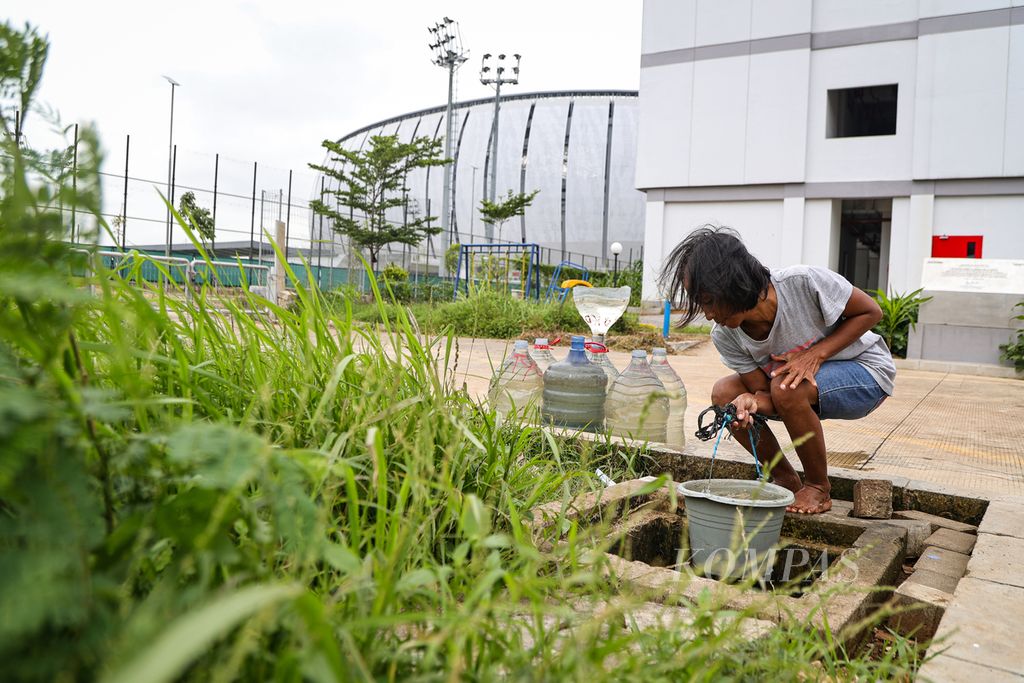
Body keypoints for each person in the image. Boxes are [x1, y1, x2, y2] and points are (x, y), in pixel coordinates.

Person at [661, 226, 895, 514]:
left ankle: (819, 488)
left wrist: (814, 355)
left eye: (709, 301)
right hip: (795, 388)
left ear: (733, 283)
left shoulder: (803, 283)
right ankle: (784, 478)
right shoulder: (725, 335)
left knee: (787, 386)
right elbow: (763, 388)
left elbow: (871, 312)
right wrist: (749, 404)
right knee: (726, 395)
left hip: (866, 371)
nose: (708, 314)